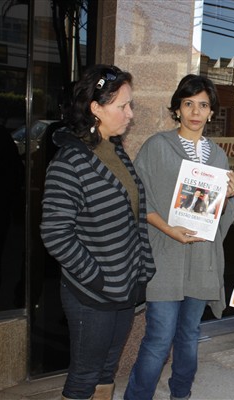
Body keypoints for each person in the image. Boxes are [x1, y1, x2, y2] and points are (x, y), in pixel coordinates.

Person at [40, 64, 155, 400]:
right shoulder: (69, 162)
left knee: (107, 370)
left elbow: (134, 215)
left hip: (123, 288)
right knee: (85, 375)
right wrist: (97, 277)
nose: (130, 114)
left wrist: (140, 270)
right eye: (123, 106)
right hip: (91, 294)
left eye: (130, 105)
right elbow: (55, 233)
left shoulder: (114, 150)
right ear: (96, 108)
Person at [125, 74, 234, 400]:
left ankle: (181, 394)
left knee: (189, 335)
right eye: (188, 103)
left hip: (202, 260)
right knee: (159, 338)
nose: (195, 112)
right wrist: (168, 229)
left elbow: (220, 217)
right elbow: (138, 200)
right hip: (165, 257)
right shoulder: (157, 147)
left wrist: (229, 195)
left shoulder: (218, 156)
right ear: (177, 109)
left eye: (203, 105)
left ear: (212, 112)